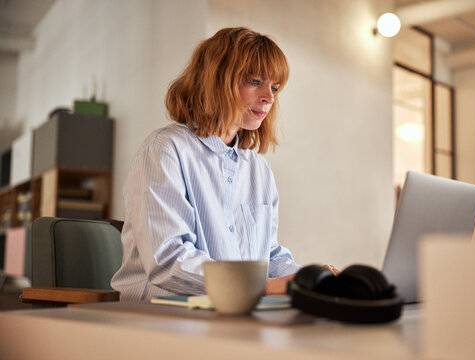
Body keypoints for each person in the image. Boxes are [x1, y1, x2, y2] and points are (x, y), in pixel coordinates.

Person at [111, 27, 337, 301]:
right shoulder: (165, 150)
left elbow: (268, 255)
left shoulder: (258, 170)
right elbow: (169, 261)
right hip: (163, 317)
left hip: (231, 314)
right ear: (216, 81)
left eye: (274, 87)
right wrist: (263, 287)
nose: (269, 97)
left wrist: (311, 278)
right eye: (255, 81)